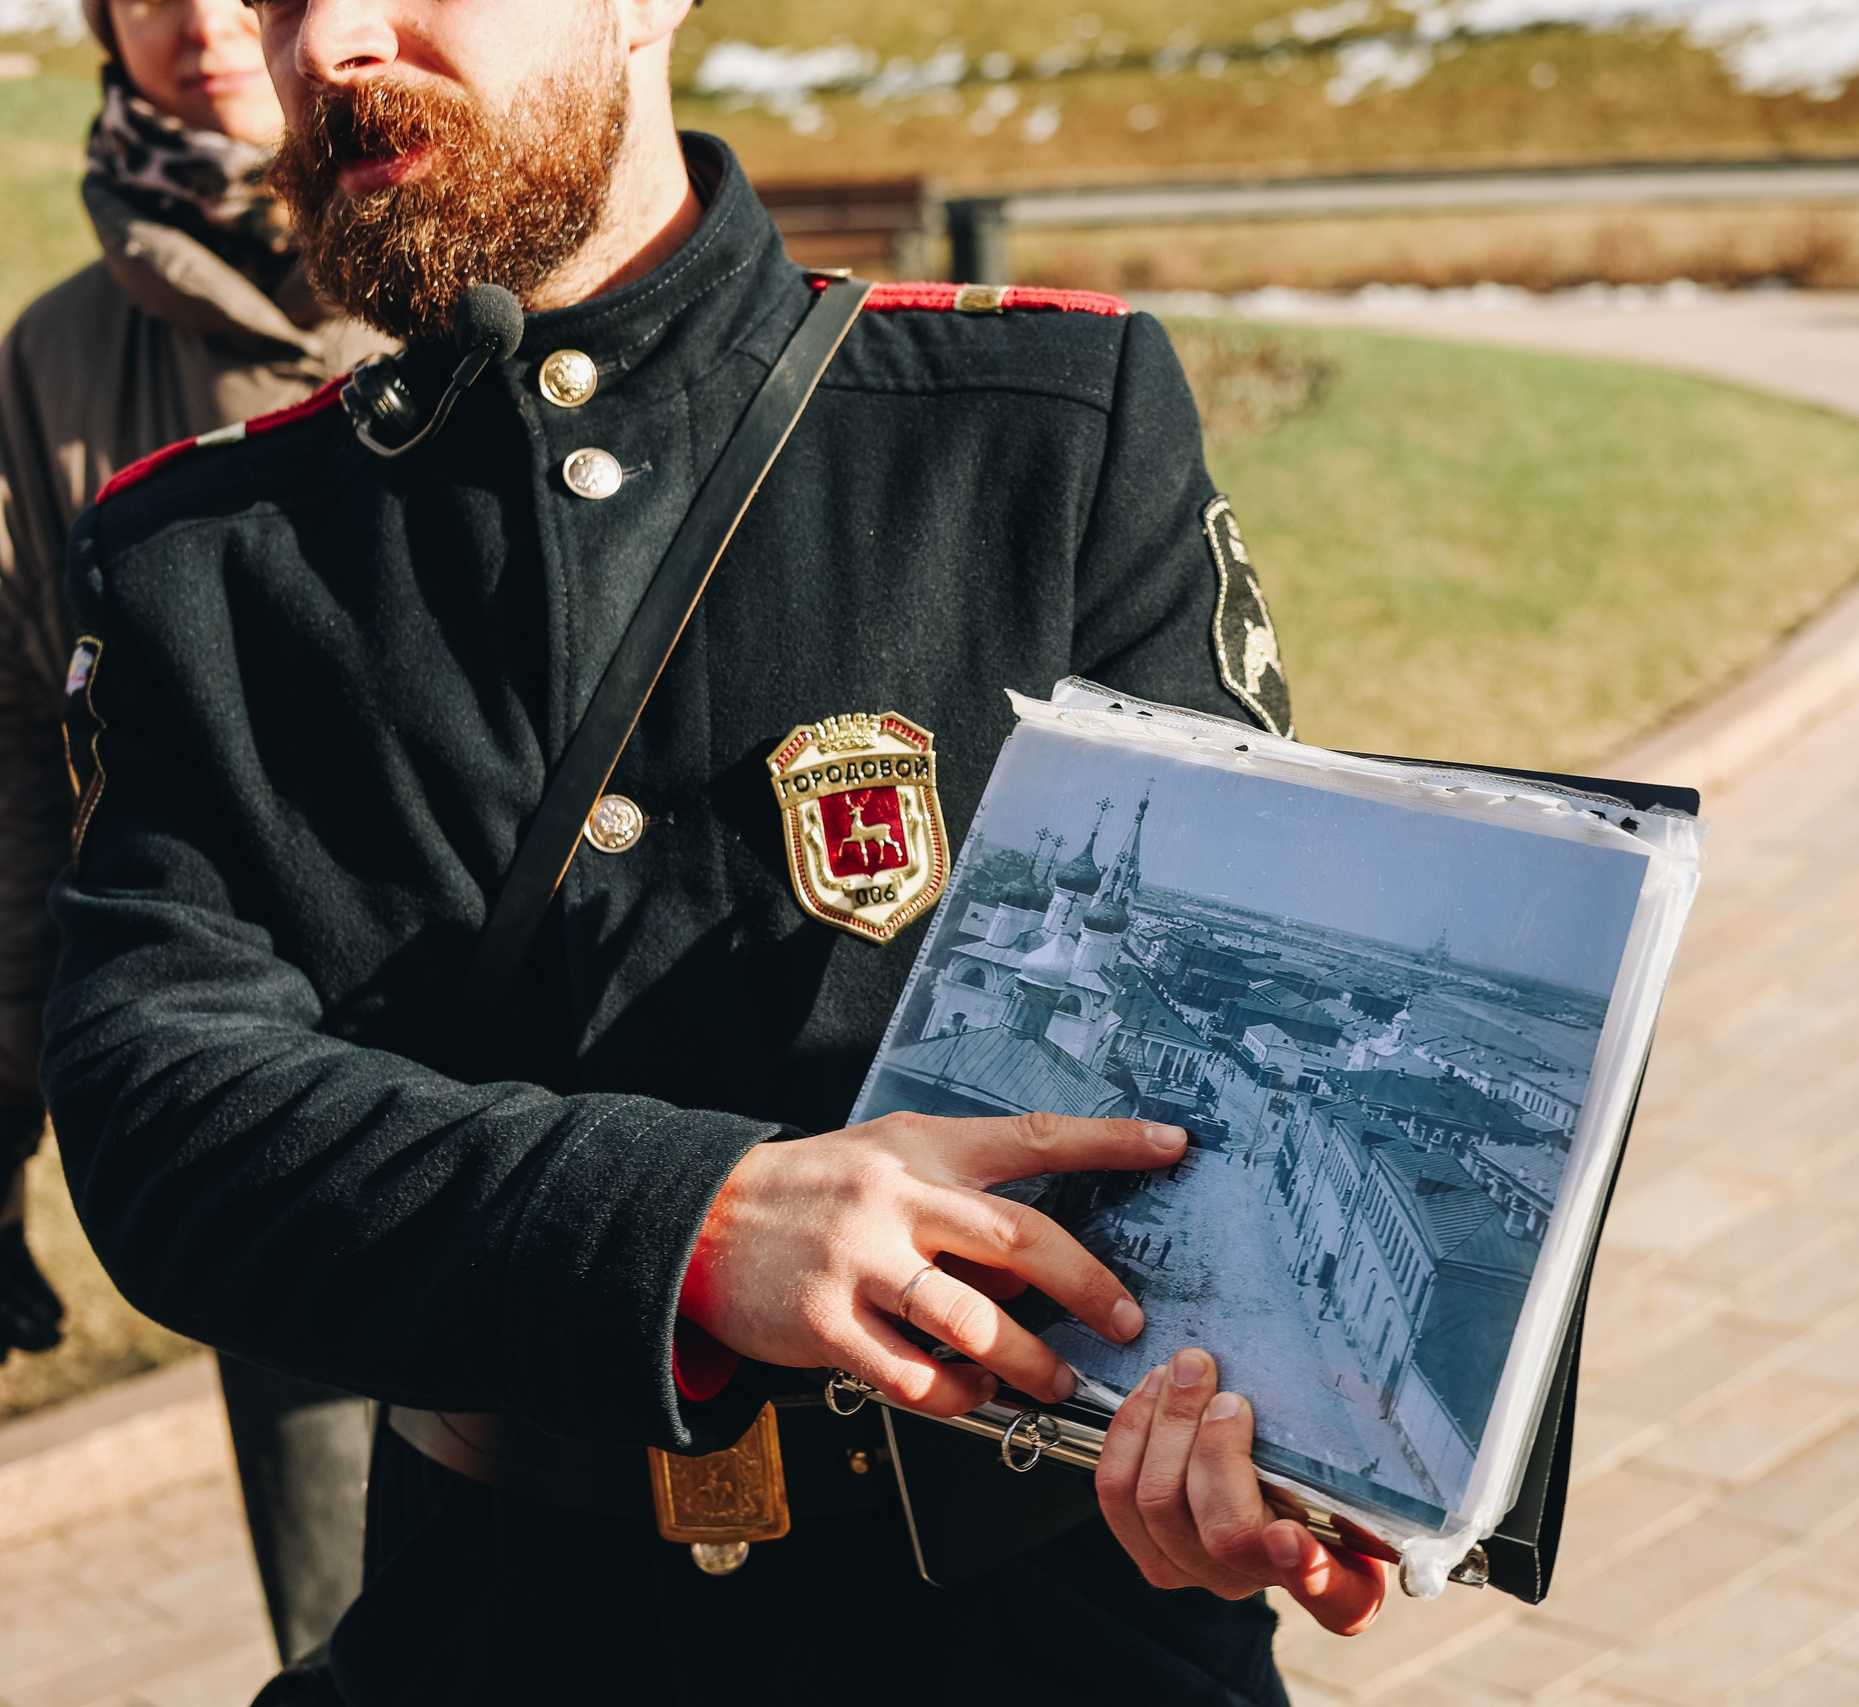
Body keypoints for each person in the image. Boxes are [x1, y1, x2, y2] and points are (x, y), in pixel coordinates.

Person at [42, 0, 1388, 1701]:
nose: (331, 46)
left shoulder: (1041, 421)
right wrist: (689, 1222)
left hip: (1051, 1634)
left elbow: (1237, 1063)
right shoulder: (209, 558)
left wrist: (1272, 1455)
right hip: (498, 1630)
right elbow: (165, 1114)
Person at [0, 0, 392, 1667]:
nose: (198, 18)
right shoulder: (58, 360)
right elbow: (26, 783)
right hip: (277, 1133)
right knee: (355, 1638)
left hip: (601, 1107)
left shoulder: (473, 256)